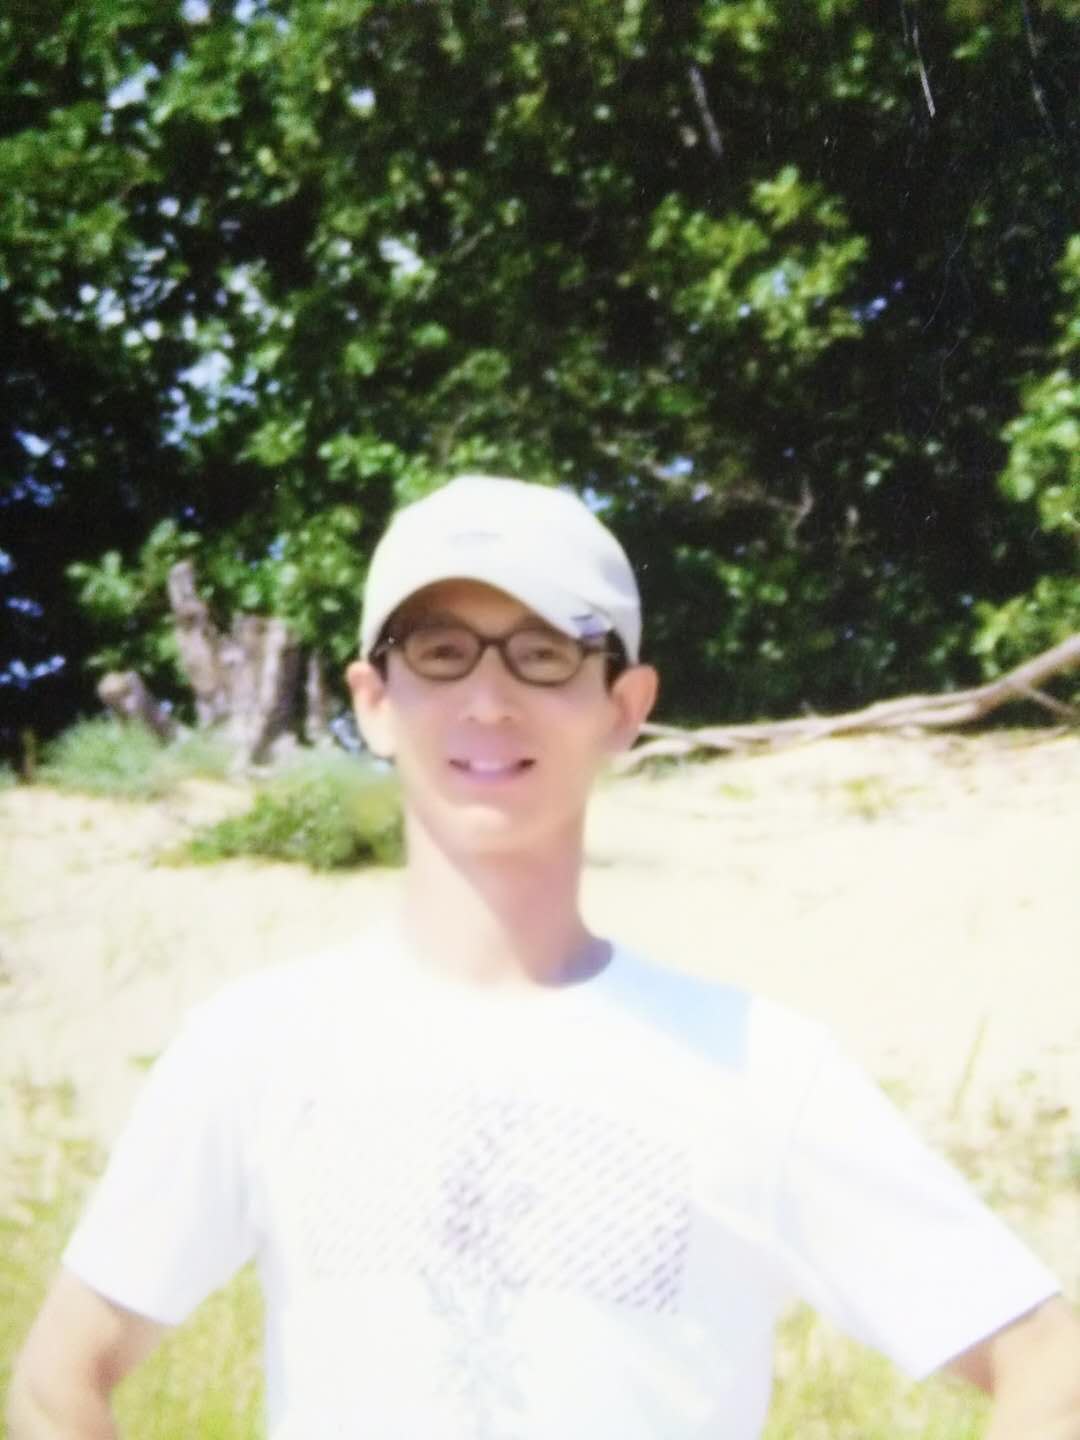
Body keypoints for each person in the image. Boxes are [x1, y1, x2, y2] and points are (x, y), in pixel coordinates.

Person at [8, 474, 1080, 1439]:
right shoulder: (256, 1046)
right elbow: (59, 1388)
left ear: (623, 707)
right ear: (374, 702)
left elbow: (1052, 1371)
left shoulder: (762, 1068)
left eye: (545, 652)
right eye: (439, 651)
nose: (488, 700)